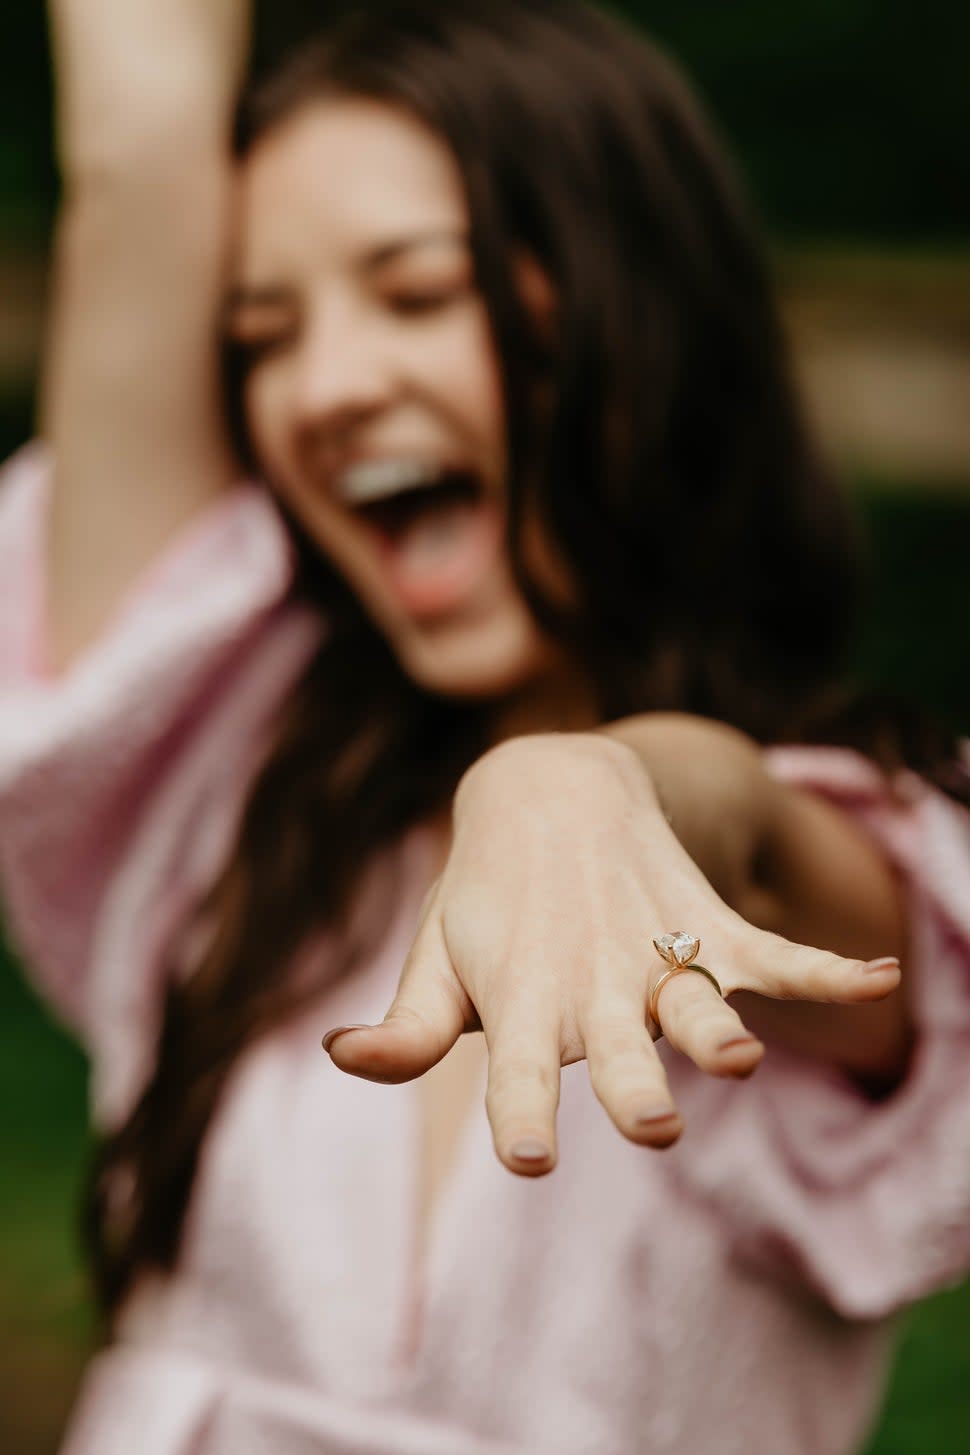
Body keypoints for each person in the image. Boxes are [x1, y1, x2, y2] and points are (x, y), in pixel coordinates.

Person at [1, 1, 968, 1451]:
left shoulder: (849, 871)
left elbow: (751, 842)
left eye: (416, 294)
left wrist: (585, 785)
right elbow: (142, 155)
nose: (324, 388)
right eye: (263, 334)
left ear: (633, 303)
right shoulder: (220, 778)